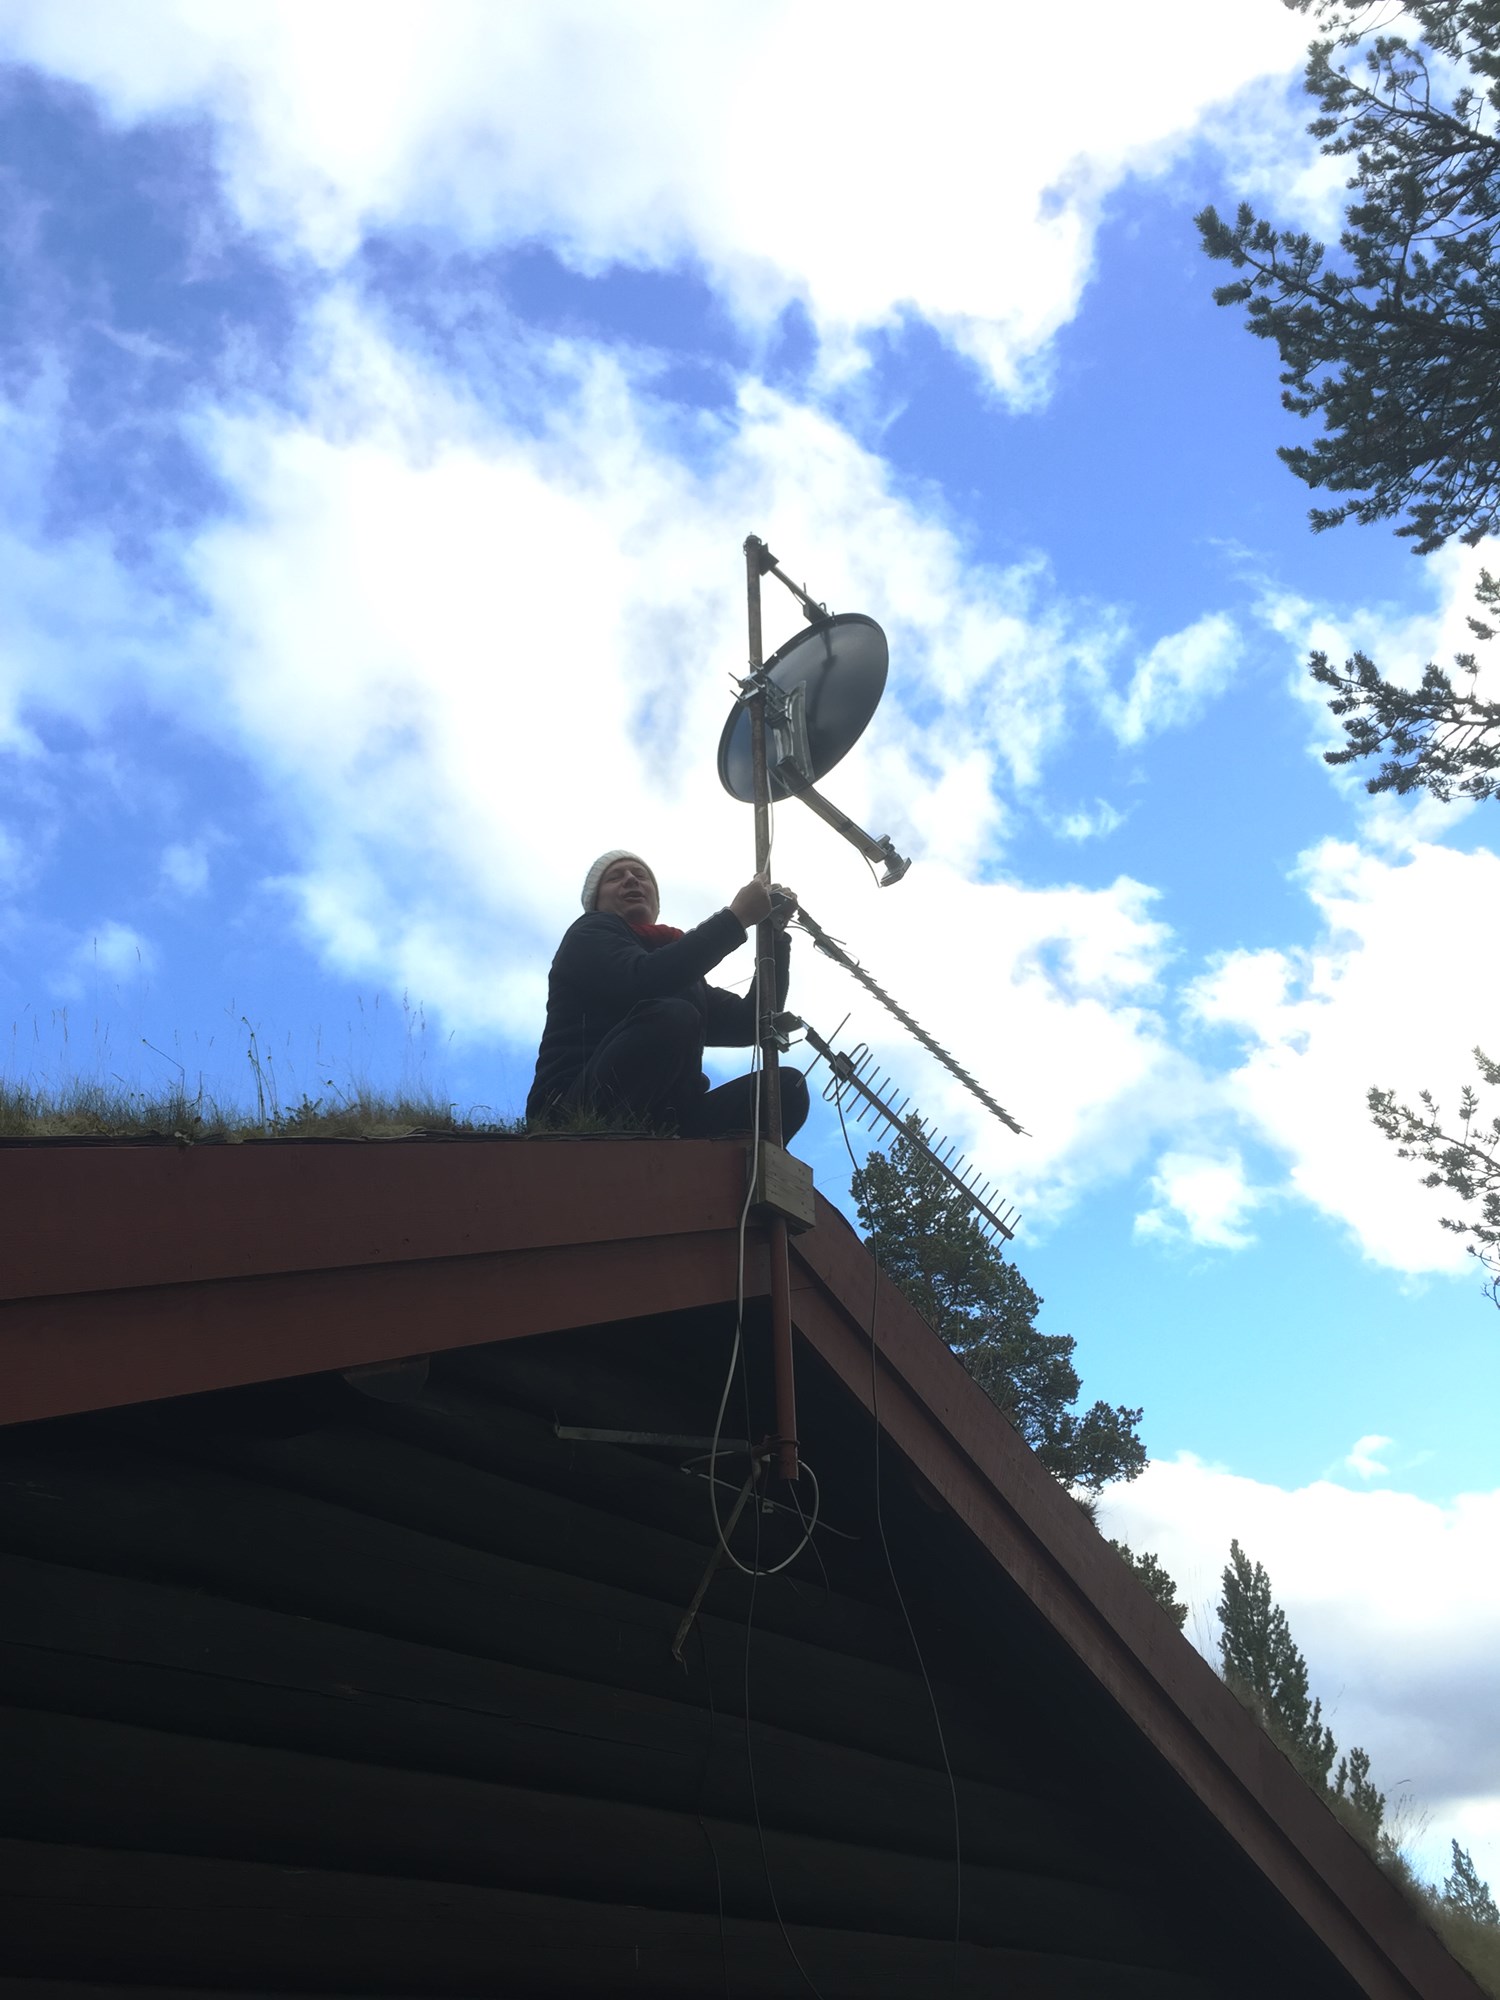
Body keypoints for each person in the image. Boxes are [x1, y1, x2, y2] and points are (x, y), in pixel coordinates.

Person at [526, 849, 809, 1140]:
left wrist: (774, 939)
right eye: (614, 877)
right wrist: (736, 918)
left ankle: (699, 1158)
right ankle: (619, 1140)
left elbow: (748, 1023)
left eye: (640, 875)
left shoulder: (679, 975)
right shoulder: (589, 933)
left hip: (668, 1118)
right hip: (575, 1106)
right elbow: (645, 979)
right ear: (595, 902)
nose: (631, 880)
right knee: (675, 1017)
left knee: (787, 1088)